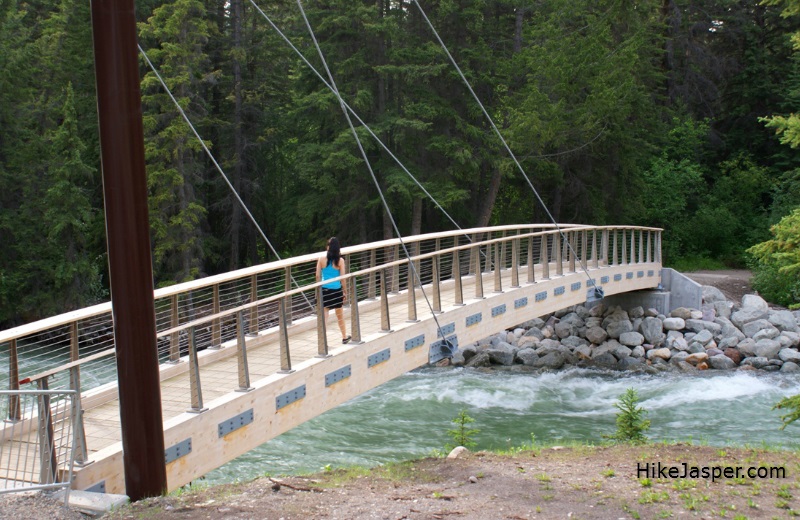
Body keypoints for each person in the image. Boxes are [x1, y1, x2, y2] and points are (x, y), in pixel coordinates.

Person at [316, 237, 351, 343]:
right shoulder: (340, 261)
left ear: (328, 247)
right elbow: (342, 278)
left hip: (324, 289)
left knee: (324, 316)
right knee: (339, 315)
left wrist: (318, 290)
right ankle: (344, 337)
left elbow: (317, 276)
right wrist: (345, 291)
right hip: (336, 290)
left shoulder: (321, 259)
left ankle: (322, 340)